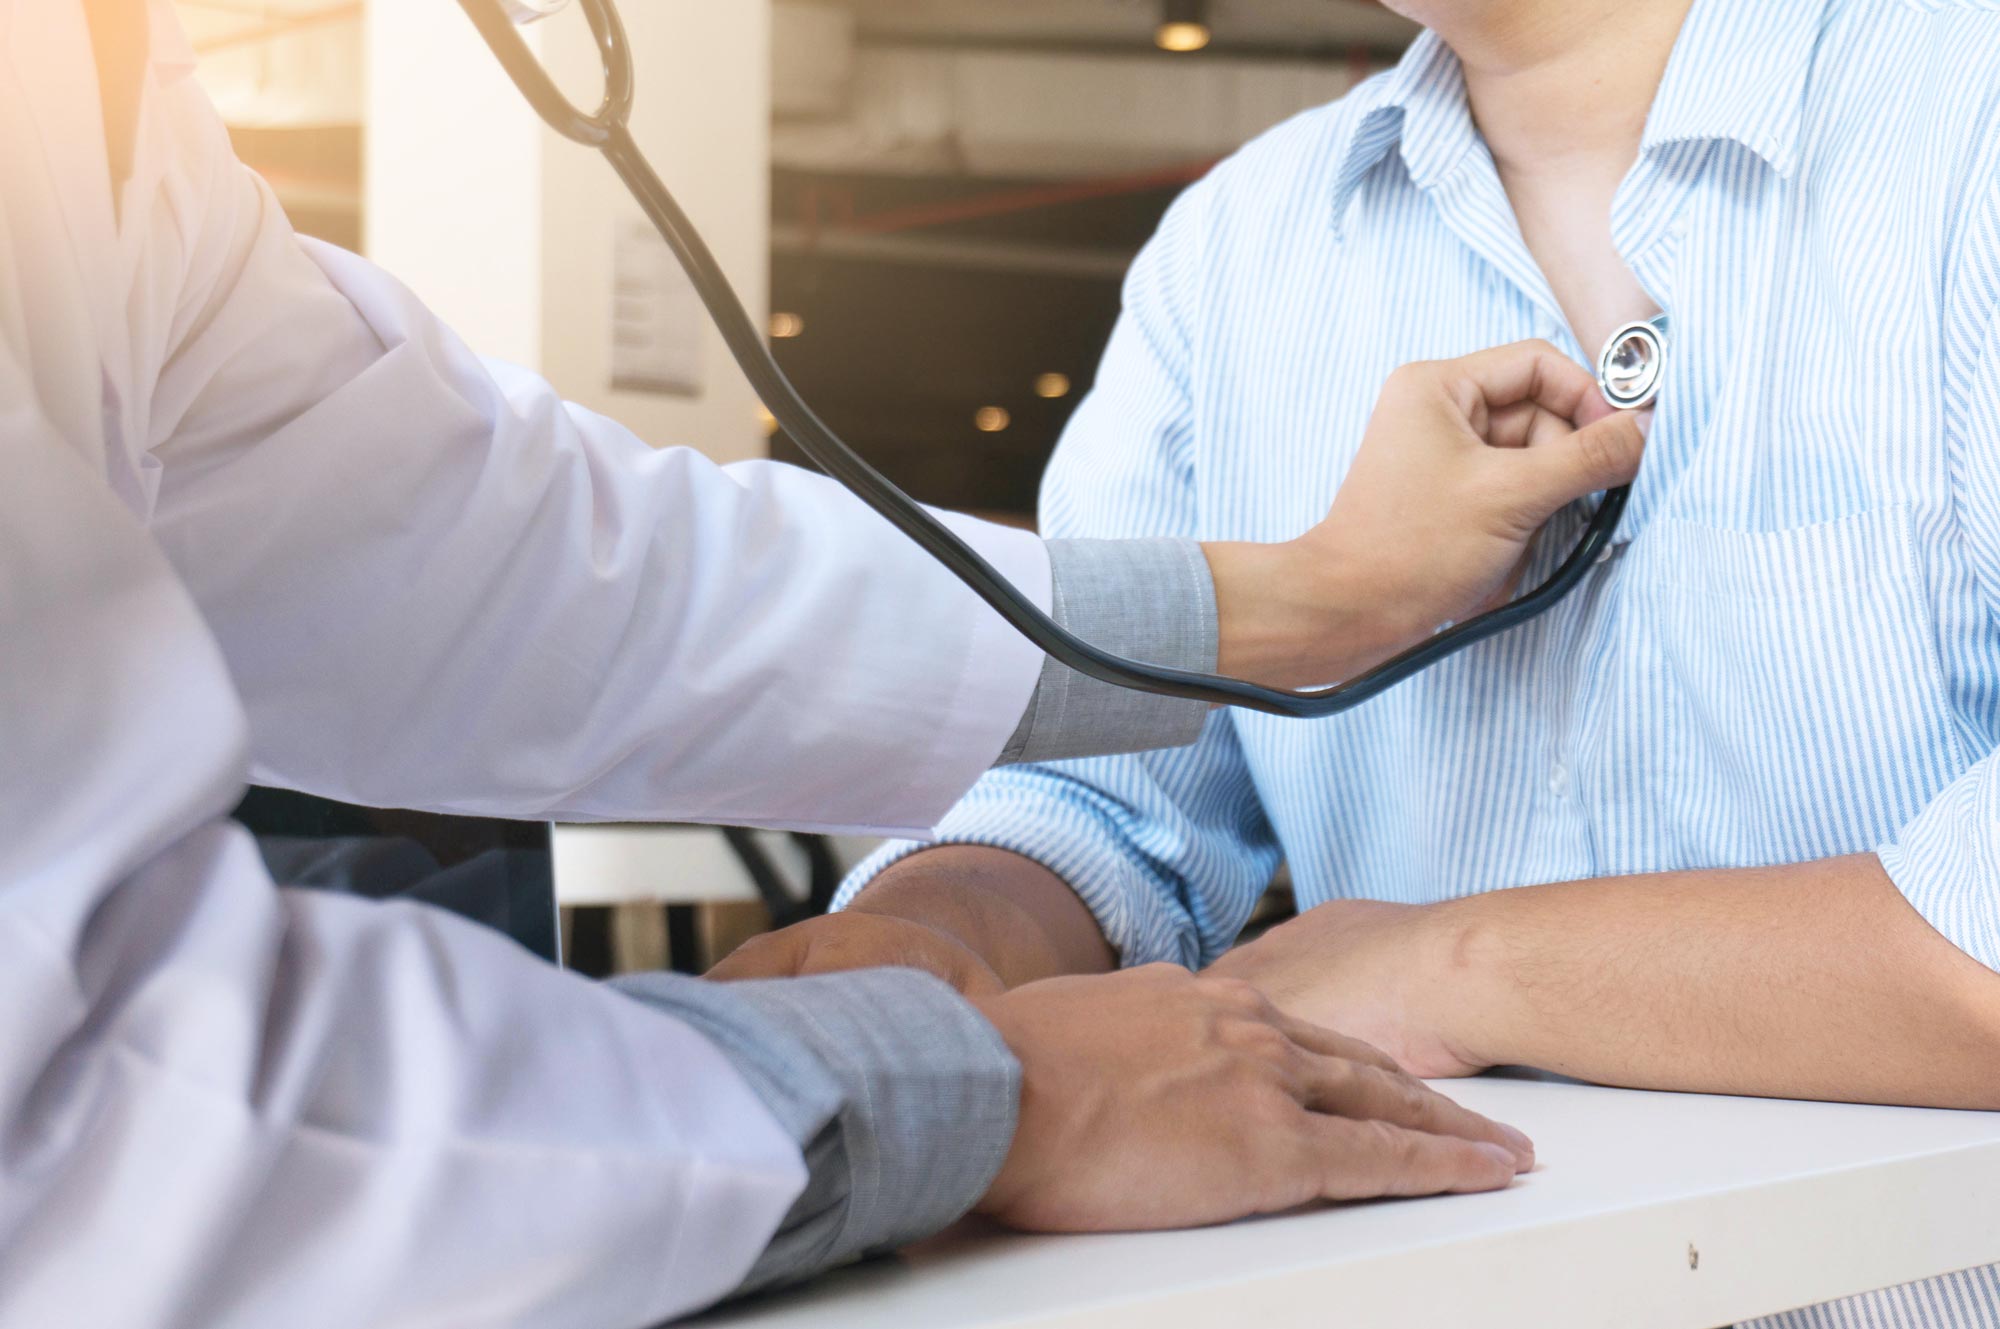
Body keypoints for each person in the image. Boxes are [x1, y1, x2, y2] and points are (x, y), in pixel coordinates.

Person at [0, 2, 1657, 1325]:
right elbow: (79, 1130)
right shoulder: (1240, 246)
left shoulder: (84, 85)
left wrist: (1294, 604)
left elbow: (482, 552)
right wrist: (970, 1075)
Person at [716, 0, 2000, 1325]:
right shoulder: (1235, 252)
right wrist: (933, 942)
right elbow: (1104, 800)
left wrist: (1452, 967)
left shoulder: (1969, 119)